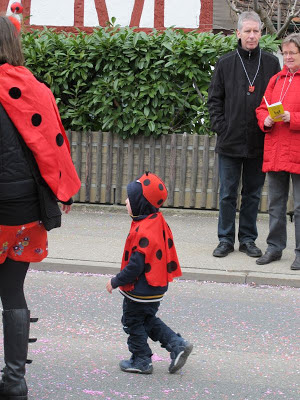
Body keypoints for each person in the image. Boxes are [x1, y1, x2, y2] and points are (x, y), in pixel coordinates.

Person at [0, 15, 81, 400]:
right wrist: (63, 191)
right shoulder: (36, 89)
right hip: (27, 209)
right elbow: (53, 146)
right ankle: (14, 381)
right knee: (12, 289)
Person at [207, 11, 281, 258]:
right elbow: (214, 100)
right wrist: (222, 127)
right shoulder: (225, 63)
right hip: (230, 141)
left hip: (259, 140)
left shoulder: (271, 63)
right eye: (247, 31)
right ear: (238, 33)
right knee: (227, 194)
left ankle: (248, 239)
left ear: (261, 33)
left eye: (256, 31)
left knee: (252, 194)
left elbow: (276, 100)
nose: (252, 36)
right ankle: (225, 239)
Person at [106, 172, 193, 374]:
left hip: (140, 289)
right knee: (146, 320)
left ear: (140, 204)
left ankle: (141, 360)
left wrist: (116, 281)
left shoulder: (143, 231)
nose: (126, 201)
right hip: (156, 287)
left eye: (130, 198)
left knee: (132, 322)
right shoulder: (157, 221)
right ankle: (176, 344)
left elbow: (135, 266)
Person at [255, 33, 300, 270]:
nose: (288, 57)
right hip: (276, 148)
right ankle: (274, 248)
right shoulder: (276, 80)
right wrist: (266, 121)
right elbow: (262, 107)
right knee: (275, 204)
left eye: (293, 52)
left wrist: (293, 118)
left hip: (297, 150)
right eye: (285, 53)